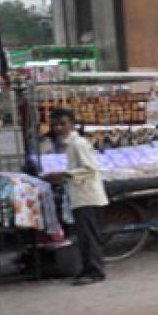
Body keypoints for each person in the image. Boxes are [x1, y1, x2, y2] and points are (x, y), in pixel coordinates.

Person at [44, 109, 108, 286]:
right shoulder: (69, 144)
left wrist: (64, 174)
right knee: (83, 236)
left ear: (71, 123)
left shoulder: (78, 144)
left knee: (88, 236)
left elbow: (91, 168)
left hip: (87, 196)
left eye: (62, 124)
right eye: (55, 124)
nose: (58, 128)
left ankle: (95, 271)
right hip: (80, 196)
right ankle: (88, 269)